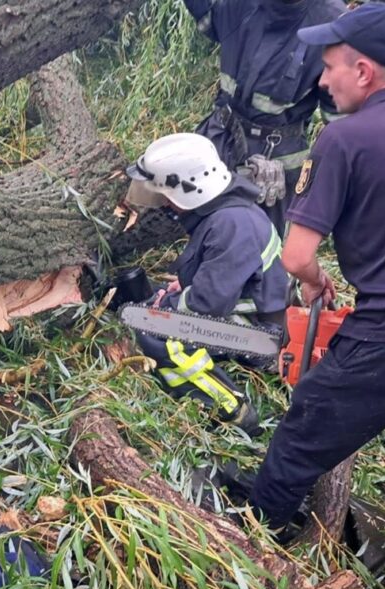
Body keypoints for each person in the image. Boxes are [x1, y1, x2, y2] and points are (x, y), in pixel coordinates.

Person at [249, 2, 385, 531]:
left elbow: (297, 255)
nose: (322, 81)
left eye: (328, 67)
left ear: (363, 71)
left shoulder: (345, 139)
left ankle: (253, 540)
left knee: (300, 438)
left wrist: (316, 281)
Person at [124, 133, 289, 437]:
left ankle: (231, 410)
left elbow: (206, 305)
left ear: (188, 190)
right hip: (248, 314)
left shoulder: (231, 225)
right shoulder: (224, 211)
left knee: (156, 334)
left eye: (166, 195)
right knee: (153, 305)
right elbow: (217, 276)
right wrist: (178, 289)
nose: (164, 203)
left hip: (263, 336)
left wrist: (165, 309)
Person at [182, 0, 345, 236]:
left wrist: (325, 188)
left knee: (262, 239)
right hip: (221, 135)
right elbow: (210, 19)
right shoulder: (241, 5)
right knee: (204, 225)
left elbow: (341, 126)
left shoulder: (333, 25)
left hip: (276, 159)